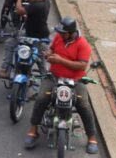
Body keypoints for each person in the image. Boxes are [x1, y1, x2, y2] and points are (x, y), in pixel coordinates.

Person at [24, 17, 98, 154]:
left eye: (64, 33)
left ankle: (92, 137)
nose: (61, 34)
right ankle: (33, 130)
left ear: (71, 33)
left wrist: (60, 60)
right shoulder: (59, 38)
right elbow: (52, 49)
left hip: (75, 80)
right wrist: (49, 54)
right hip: (54, 77)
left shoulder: (83, 44)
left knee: (83, 104)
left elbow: (82, 65)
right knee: (41, 98)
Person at [0, 0, 50, 80]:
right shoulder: (46, 1)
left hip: (30, 34)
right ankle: (44, 75)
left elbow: (19, 10)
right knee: (40, 57)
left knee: (10, 43)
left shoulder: (35, 6)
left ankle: (4, 70)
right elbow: (34, 4)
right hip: (43, 35)